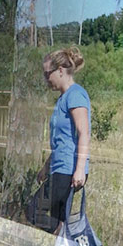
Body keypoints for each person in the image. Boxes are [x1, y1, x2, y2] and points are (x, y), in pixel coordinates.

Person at [41, 47, 93, 232]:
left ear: (60, 71)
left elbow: (84, 133)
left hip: (68, 169)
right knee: (57, 217)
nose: (46, 79)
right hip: (59, 167)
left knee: (34, 211)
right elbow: (62, 140)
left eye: (48, 74)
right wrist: (46, 167)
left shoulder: (75, 95)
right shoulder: (63, 98)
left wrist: (79, 170)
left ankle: (65, 239)